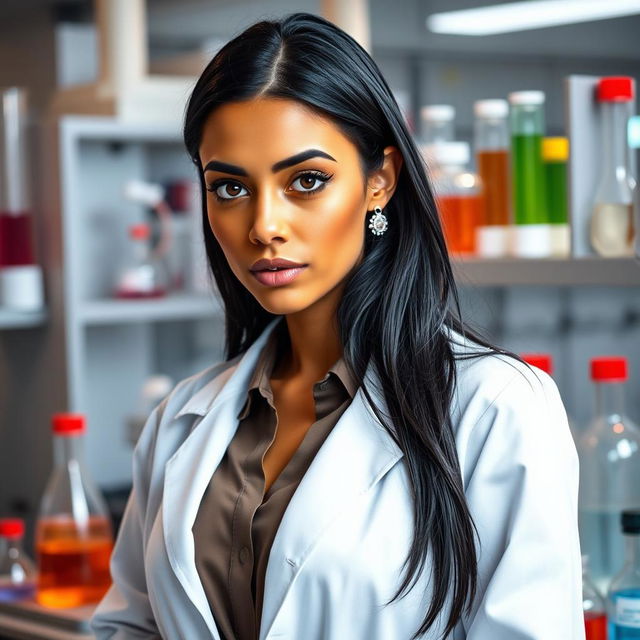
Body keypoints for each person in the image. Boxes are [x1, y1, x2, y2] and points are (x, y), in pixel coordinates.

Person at [90, 12, 584, 640]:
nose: (264, 225)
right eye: (230, 188)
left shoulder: (498, 409)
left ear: (379, 181)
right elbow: (128, 626)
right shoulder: (182, 419)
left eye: (306, 181)